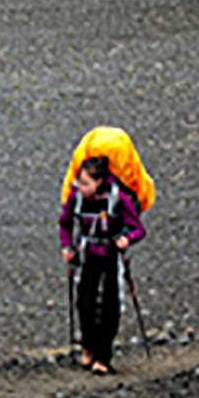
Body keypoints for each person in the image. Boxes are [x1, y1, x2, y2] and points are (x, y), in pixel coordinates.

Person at [58, 128, 151, 373]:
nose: (80, 186)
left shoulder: (119, 198)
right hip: (87, 254)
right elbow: (64, 222)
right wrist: (67, 246)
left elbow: (138, 229)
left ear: (99, 182)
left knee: (110, 304)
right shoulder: (76, 198)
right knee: (85, 303)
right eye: (79, 181)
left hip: (111, 255)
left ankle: (103, 356)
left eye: (85, 183)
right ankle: (88, 347)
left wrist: (126, 240)